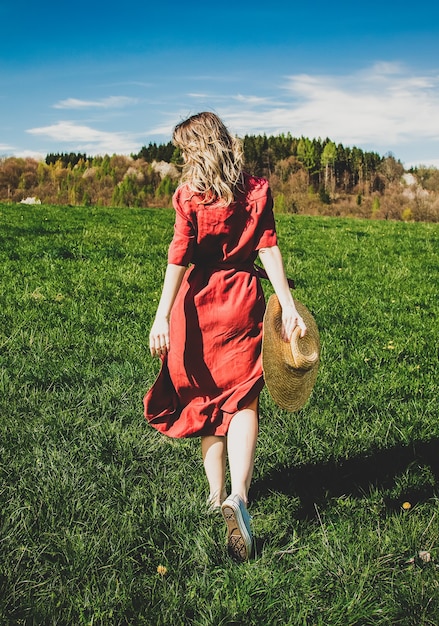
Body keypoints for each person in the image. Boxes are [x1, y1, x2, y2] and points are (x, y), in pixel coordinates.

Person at [144, 111, 306, 561]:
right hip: (243, 301)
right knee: (244, 399)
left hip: (198, 308)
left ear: (197, 148)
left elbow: (178, 257)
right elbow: (268, 244)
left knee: (206, 401)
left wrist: (161, 318)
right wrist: (288, 305)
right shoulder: (256, 189)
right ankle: (238, 495)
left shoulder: (188, 195)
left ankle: (214, 499)